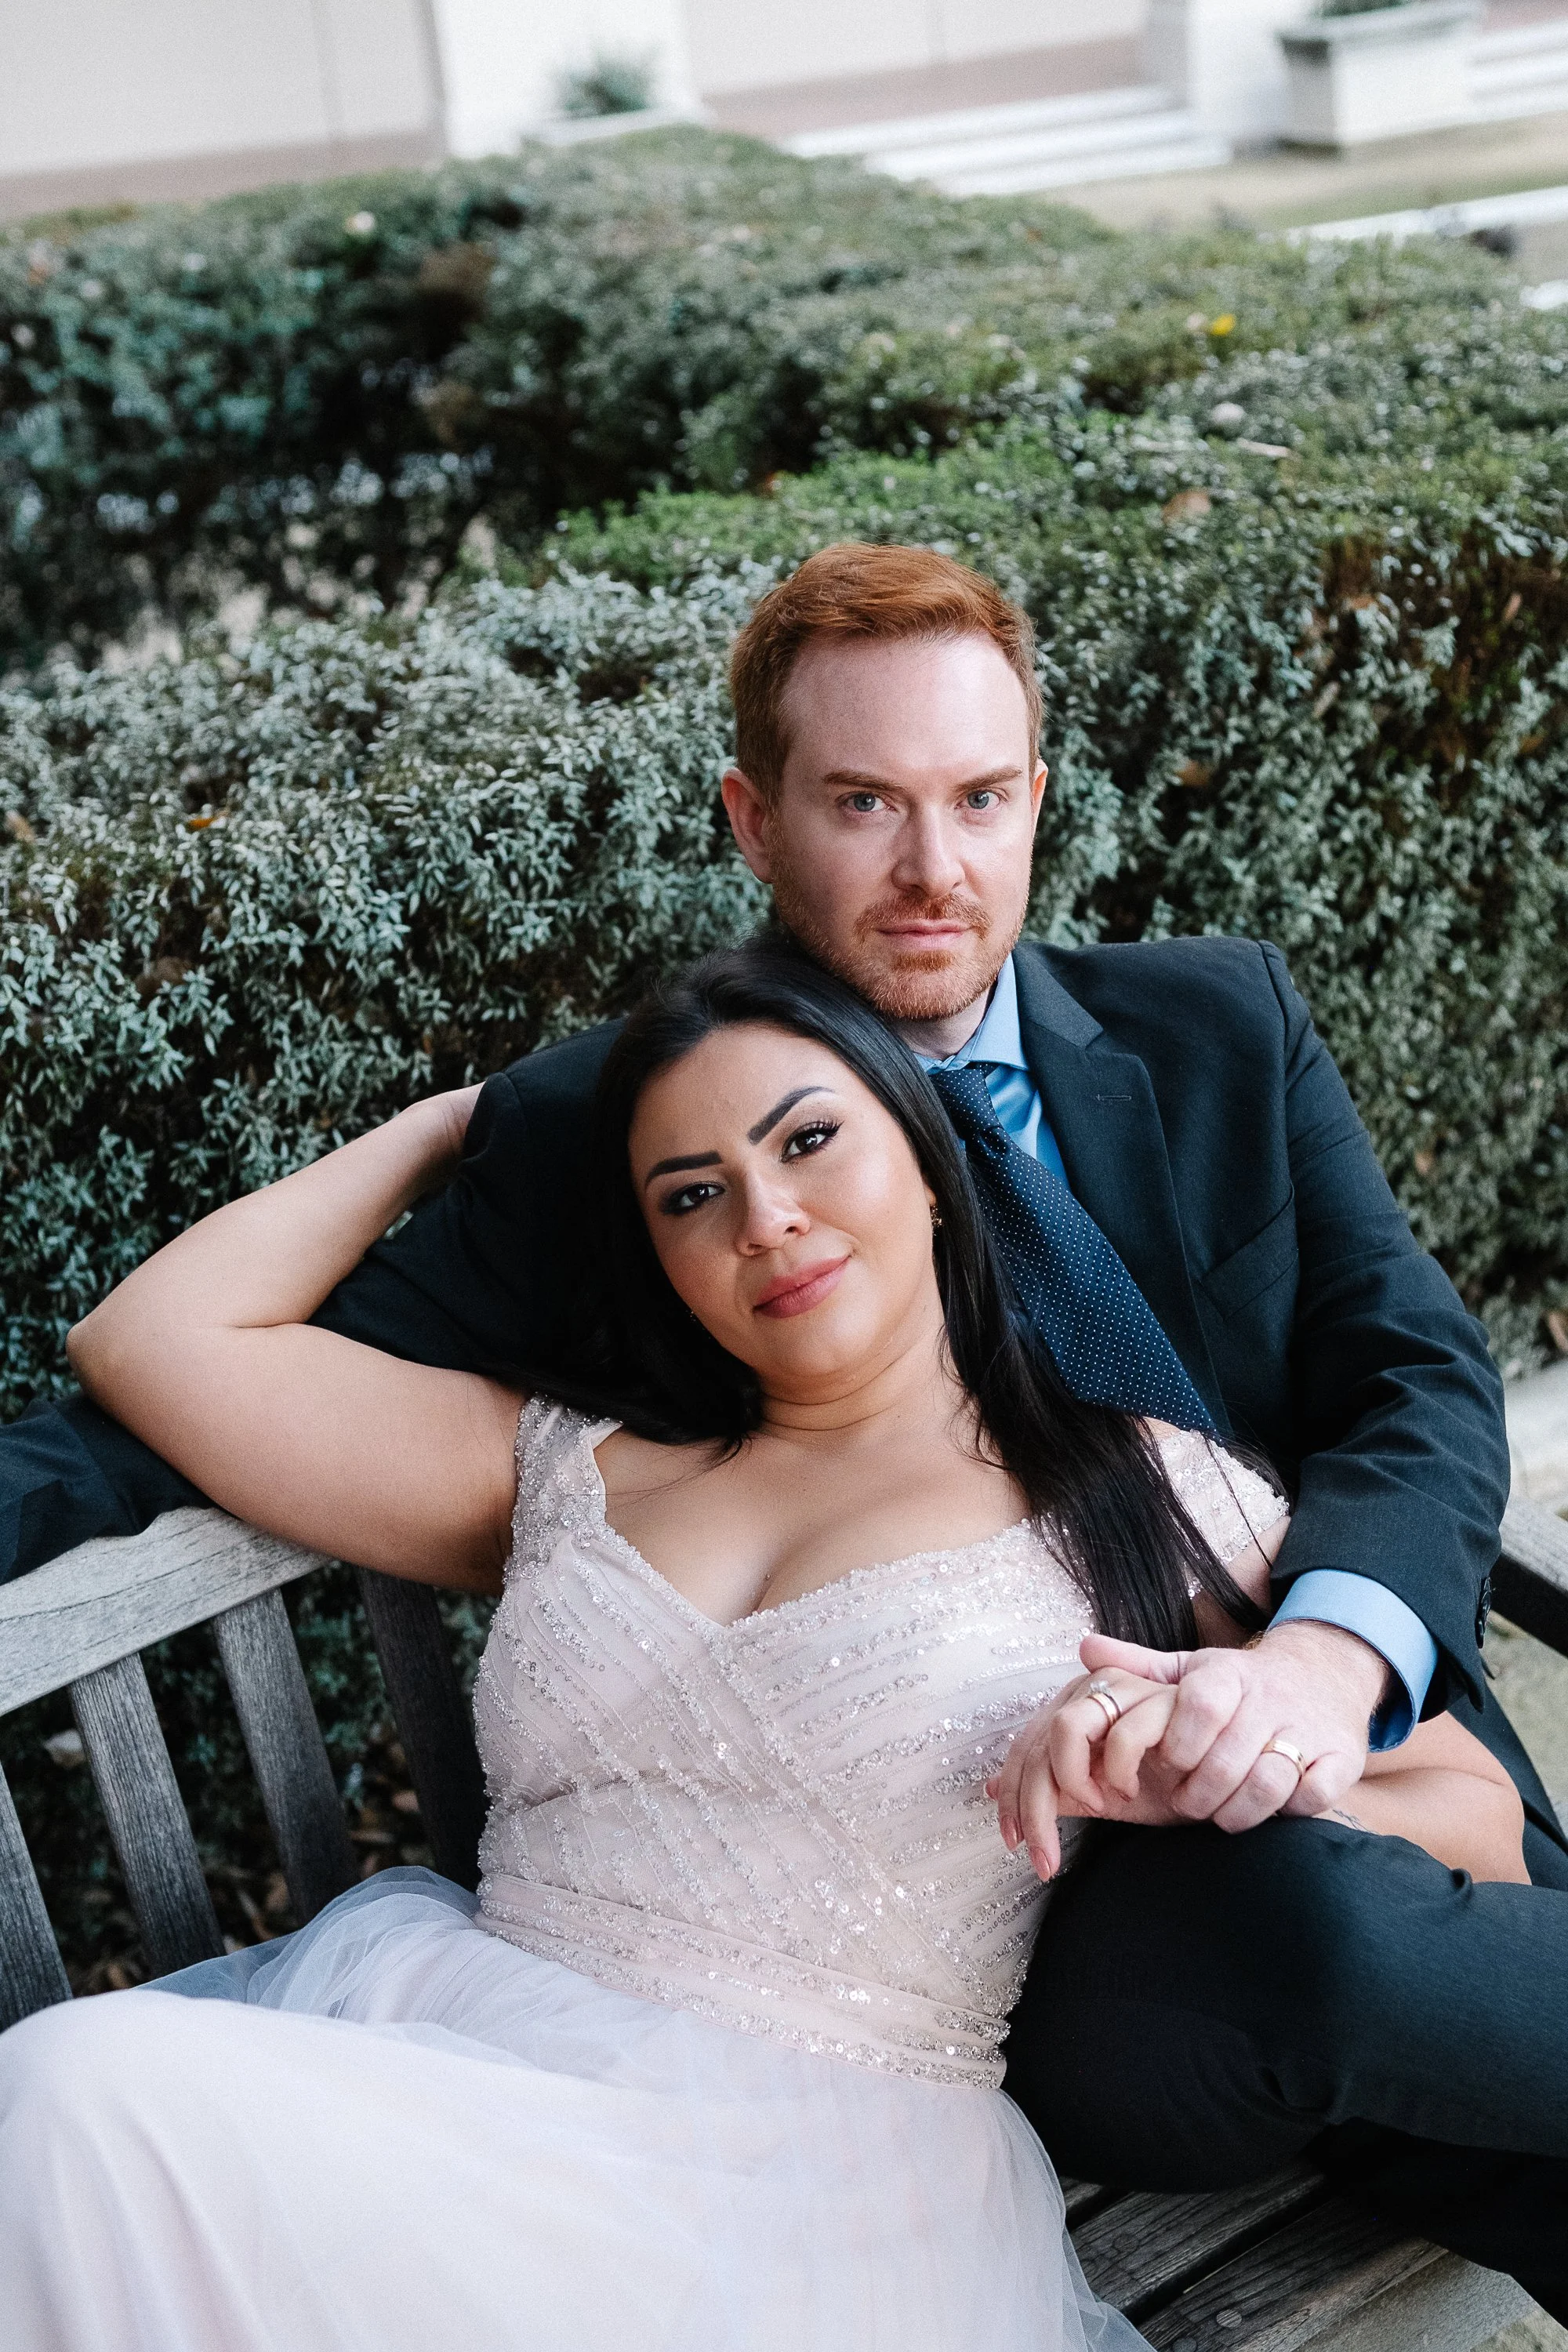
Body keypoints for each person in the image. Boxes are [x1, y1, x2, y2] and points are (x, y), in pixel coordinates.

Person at [2, 543, 1564, 2305]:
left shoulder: (1217, 1028)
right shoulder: (616, 1132)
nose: (933, 869)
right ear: (752, 820)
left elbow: (1413, 1386)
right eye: (862, 804)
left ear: (1037, 797)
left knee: (1345, 1939)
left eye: (979, 799)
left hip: (1302, 1760)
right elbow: (172, 1398)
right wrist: (462, 1118)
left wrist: (1311, 1674)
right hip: (999, 1977)